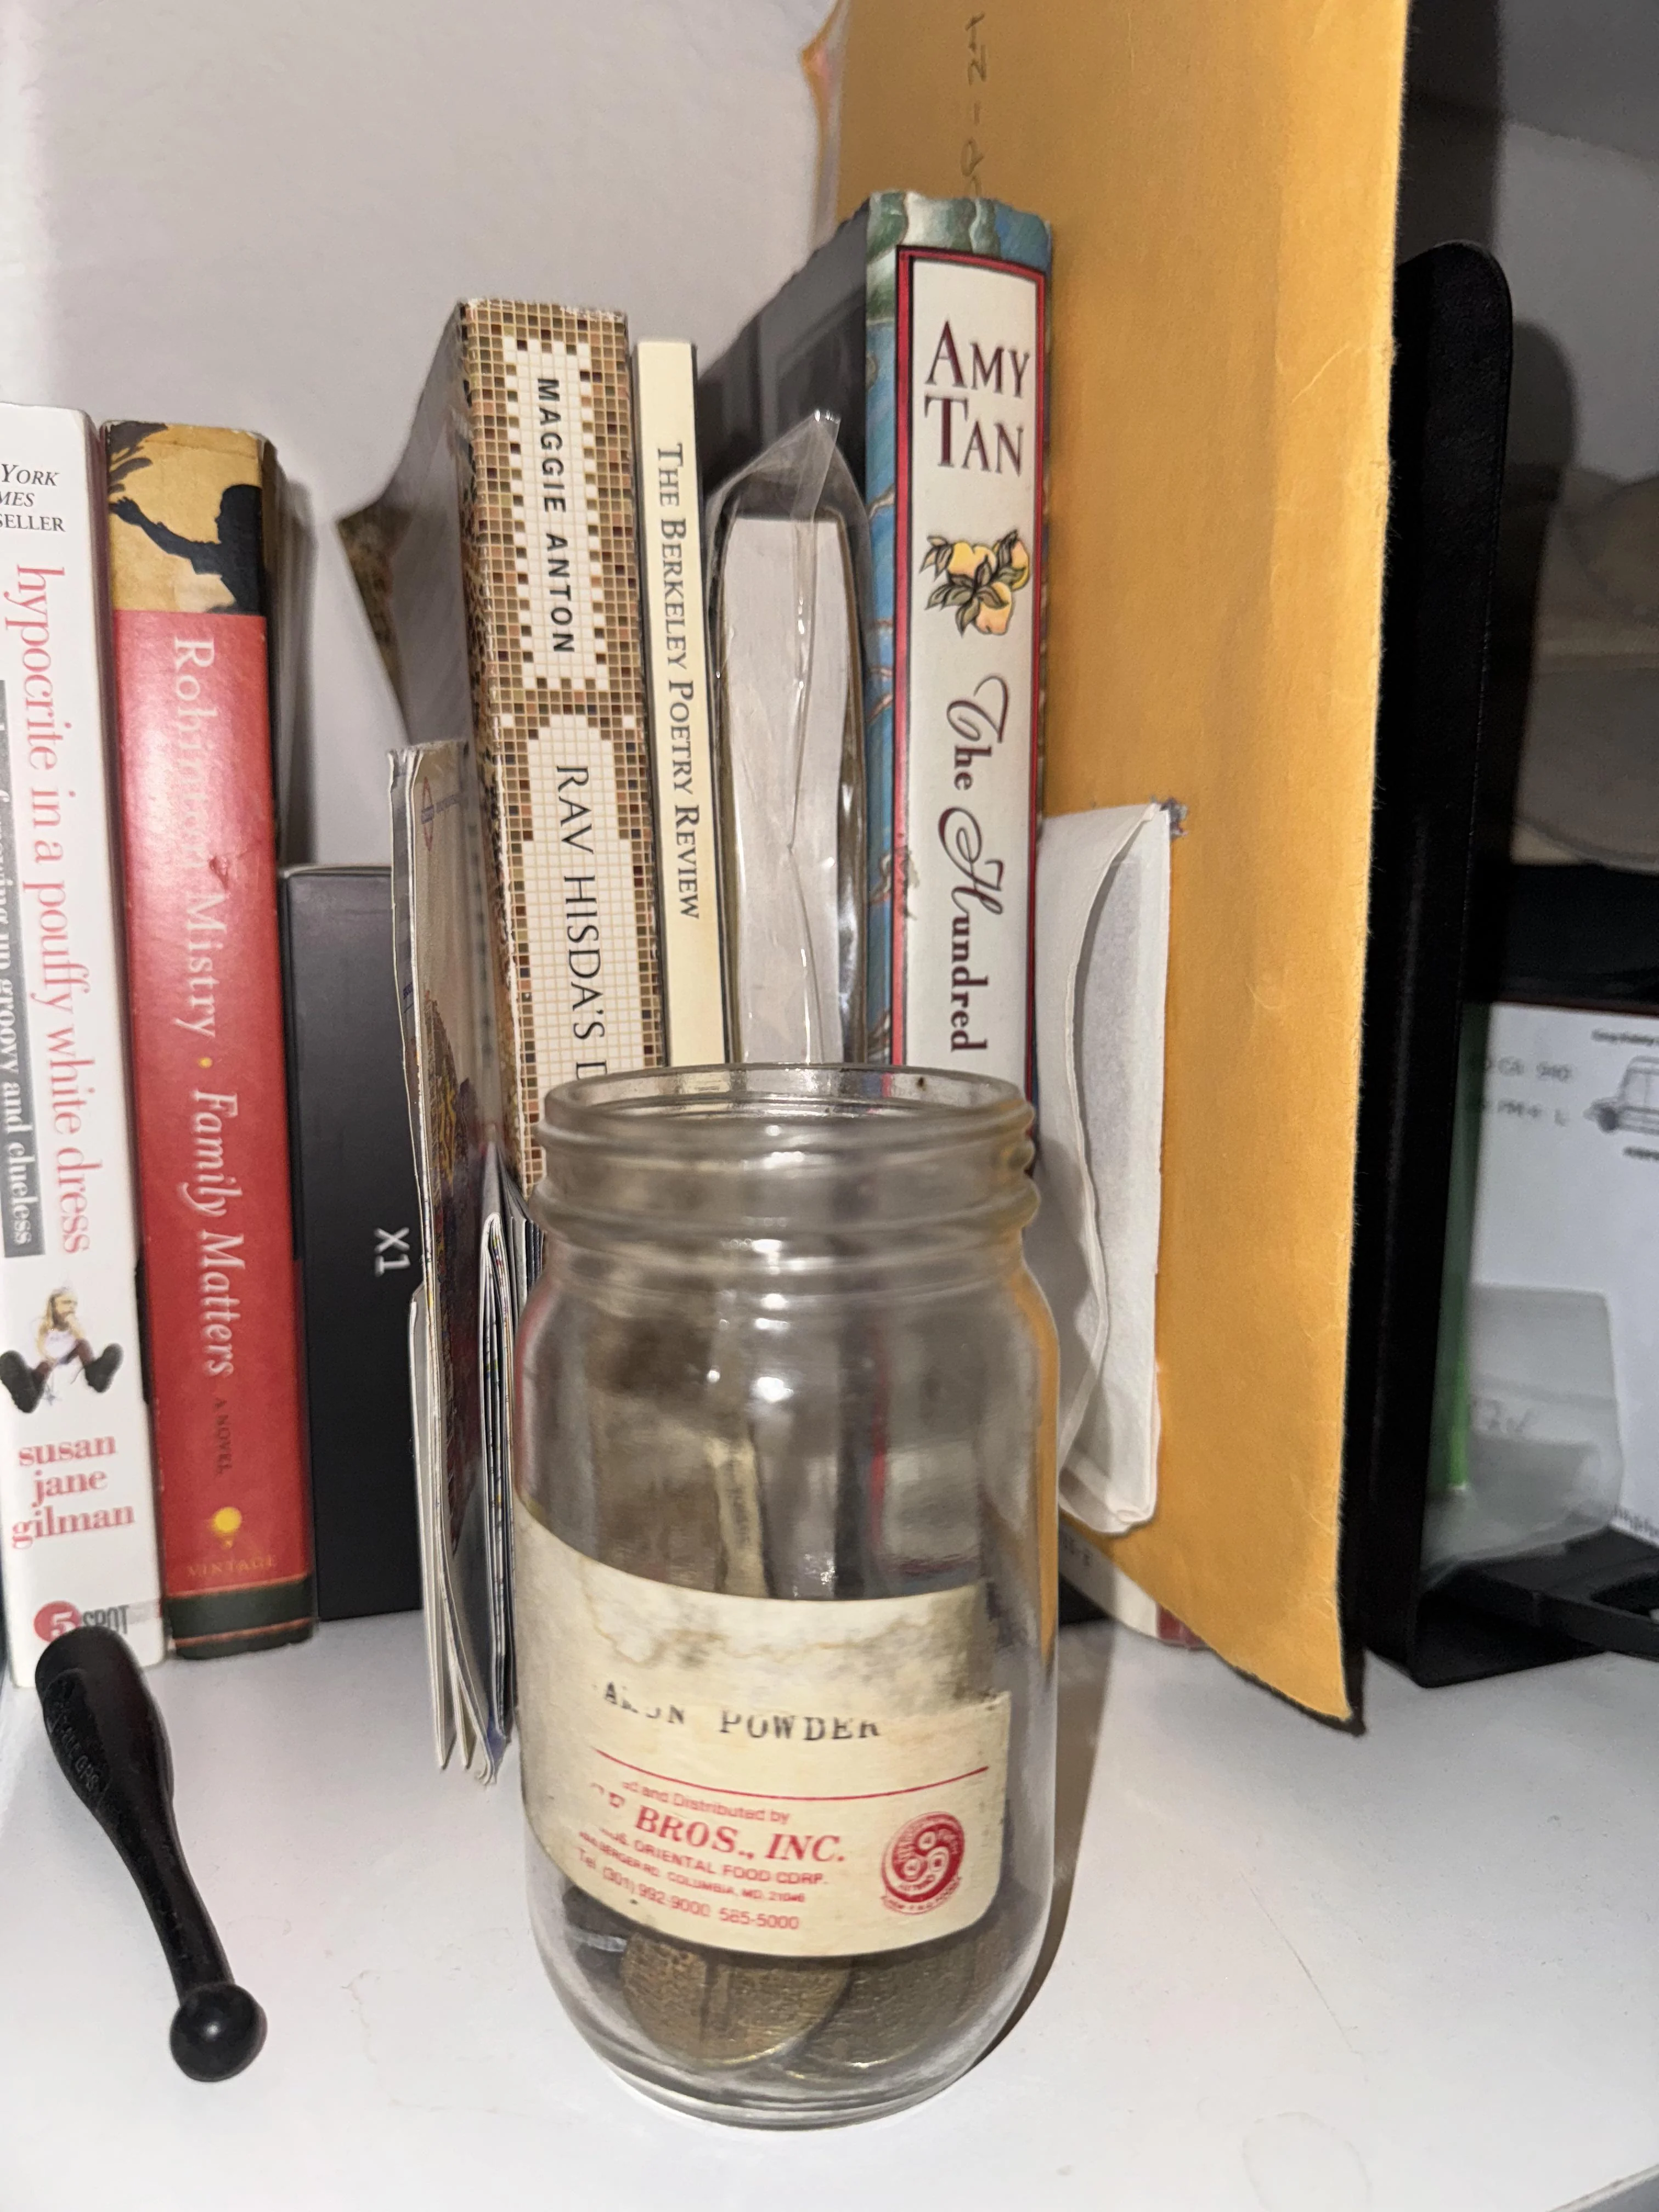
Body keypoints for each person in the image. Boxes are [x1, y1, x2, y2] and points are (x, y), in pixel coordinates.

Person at [0, 1290, 122, 1414]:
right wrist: (51, 1360)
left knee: (103, 1349)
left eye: (74, 1304)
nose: (71, 1307)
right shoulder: (39, 1326)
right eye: (66, 1303)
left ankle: (98, 1378)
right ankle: (25, 1393)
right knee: (11, 1360)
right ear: (54, 1306)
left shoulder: (78, 1327)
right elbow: (41, 1349)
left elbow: (82, 1342)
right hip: (40, 1372)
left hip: (75, 1363)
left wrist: (74, 1327)